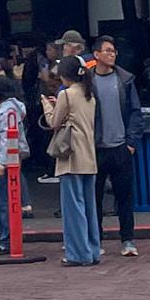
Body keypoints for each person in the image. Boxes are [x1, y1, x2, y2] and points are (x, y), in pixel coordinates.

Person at [88, 35, 142, 255]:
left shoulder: (125, 80)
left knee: (125, 196)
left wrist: (131, 142)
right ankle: (96, 240)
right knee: (95, 197)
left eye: (114, 51)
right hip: (96, 148)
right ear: (96, 55)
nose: (112, 54)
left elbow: (135, 111)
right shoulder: (87, 82)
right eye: (107, 50)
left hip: (120, 147)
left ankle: (127, 240)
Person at [46, 53, 101, 266]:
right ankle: (93, 250)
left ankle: (77, 254)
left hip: (70, 156)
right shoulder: (90, 94)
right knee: (88, 206)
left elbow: (54, 122)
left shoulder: (66, 94)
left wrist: (47, 106)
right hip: (89, 155)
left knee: (72, 208)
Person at [0, 73, 28, 254]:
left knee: (0, 202)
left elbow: (8, 139)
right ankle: (5, 236)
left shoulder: (7, 111)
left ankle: (7, 239)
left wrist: (2, 163)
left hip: (2, 163)